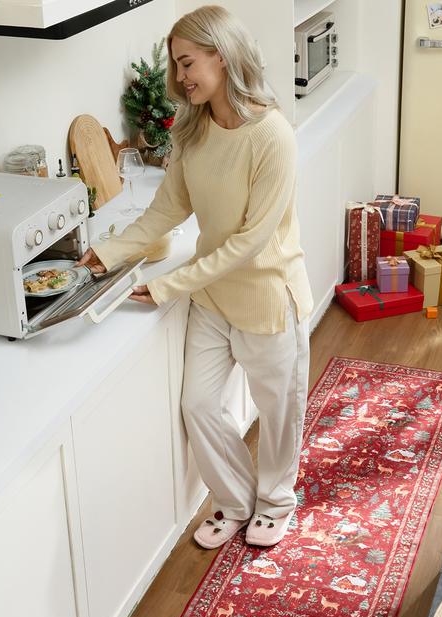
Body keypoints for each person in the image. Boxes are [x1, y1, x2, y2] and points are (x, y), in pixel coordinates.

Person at [77, 5, 314, 549]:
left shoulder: (272, 135)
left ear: (222, 56)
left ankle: (276, 502)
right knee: (199, 406)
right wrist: (106, 252)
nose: (180, 77)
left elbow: (252, 240)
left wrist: (168, 284)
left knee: (278, 412)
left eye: (187, 63)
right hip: (213, 296)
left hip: (267, 298)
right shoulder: (193, 130)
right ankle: (234, 500)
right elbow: (167, 210)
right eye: (176, 66)